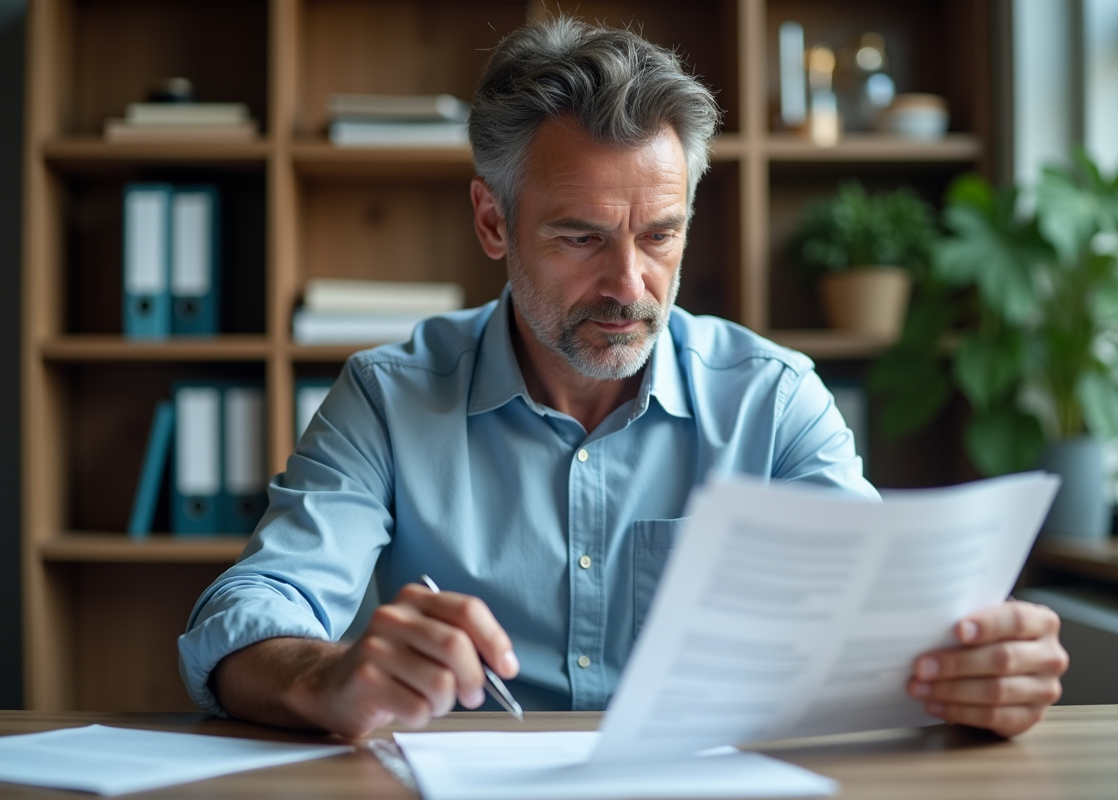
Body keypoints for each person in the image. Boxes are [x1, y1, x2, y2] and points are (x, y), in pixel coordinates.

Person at [179, 16, 1067, 741]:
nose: (629, 287)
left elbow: (880, 623)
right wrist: (327, 674)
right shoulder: (388, 395)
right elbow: (251, 611)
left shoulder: (773, 397)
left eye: (659, 235)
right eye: (580, 237)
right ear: (494, 221)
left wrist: (973, 669)